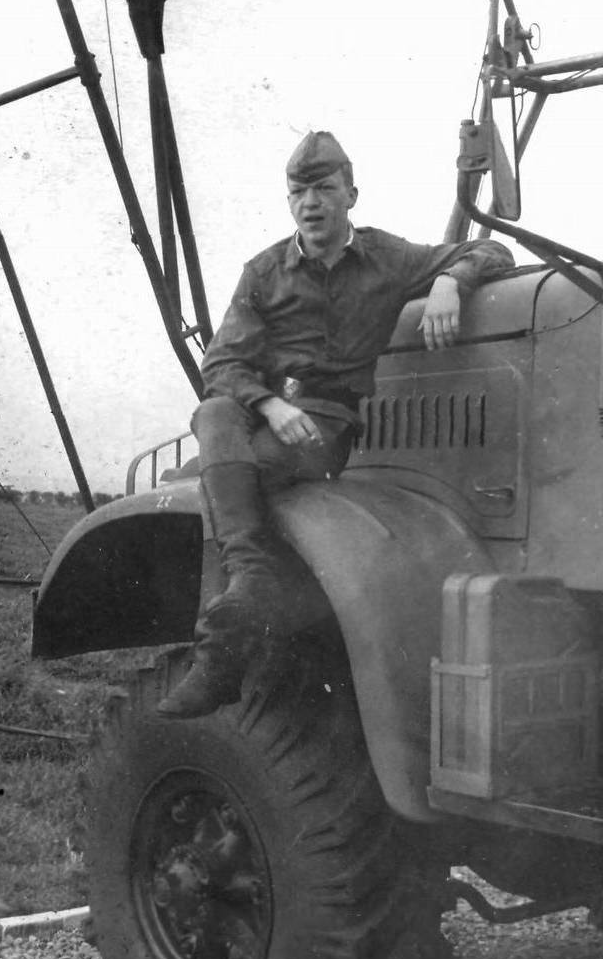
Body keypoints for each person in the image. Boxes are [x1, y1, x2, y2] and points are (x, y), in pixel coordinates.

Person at [157, 130, 514, 720]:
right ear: (289, 201)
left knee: (226, 480)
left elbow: (493, 251)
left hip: (324, 423)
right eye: (298, 192)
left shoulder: (387, 259)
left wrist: (451, 280)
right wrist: (270, 405)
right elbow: (221, 366)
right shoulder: (264, 271)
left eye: (324, 189)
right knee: (214, 412)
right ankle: (250, 583)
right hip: (262, 411)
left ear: (351, 195)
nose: (311, 203)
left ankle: (226, 640)